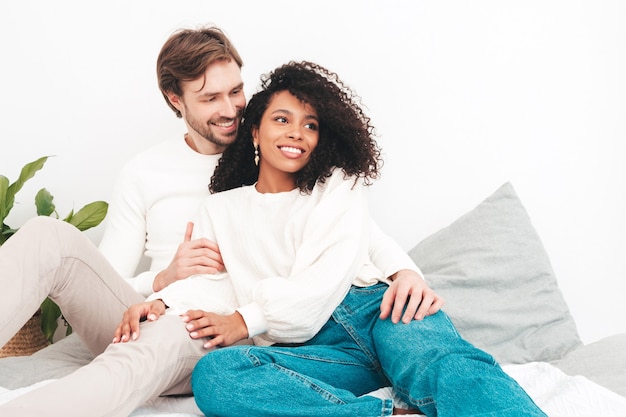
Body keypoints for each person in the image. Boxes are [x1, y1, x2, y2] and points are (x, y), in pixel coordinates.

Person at [0, 29, 441, 417]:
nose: (230, 109)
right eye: (210, 98)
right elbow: (107, 276)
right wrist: (162, 282)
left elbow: (355, 231)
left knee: (168, 334)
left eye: (235, 91)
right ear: (176, 100)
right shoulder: (144, 171)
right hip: (150, 306)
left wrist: (407, 273)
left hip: (216, 322)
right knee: (46, 237)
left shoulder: (275, 152)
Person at [154, 61, 547, 416]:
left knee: (445, 365)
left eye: (311, 125)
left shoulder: (338, 184)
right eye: (282, 120)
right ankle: (386, 415)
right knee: (217, 376)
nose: (297, 134)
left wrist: (406, 273)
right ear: (254, 131)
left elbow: (331, 271)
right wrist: (157, 302)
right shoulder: (220, 210)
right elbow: (211, 287)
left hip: (379, 311)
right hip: (319, 351)